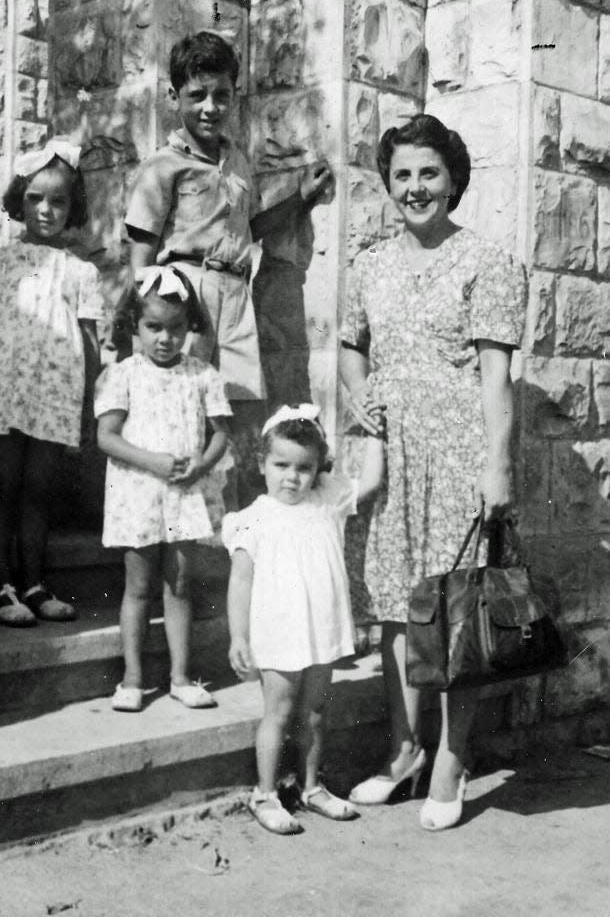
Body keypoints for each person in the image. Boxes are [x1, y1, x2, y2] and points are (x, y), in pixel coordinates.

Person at [339, 114, 527, 831]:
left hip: (458, 458)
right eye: (402, 176)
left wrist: (498, 464)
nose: (415, 188)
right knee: (395, 608)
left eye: (428, 173)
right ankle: (404, 752)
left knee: (457, 612)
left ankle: (452, 759)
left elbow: (496, 376)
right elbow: (352, 347)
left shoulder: (486, 260)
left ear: (453, 180)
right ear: (389, 187)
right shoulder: (371, 265)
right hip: (396, 462)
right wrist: (368, 408)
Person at [119, 30, 333, 417]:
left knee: (239, 410)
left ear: (234, 95)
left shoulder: (238, 164)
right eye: (197, 95)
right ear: (174, 97)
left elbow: (250, 228)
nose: (210, 107)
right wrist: (146, 325)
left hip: (236, 295)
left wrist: (299, 197)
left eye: (221, 95)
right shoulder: (162, 166)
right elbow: (141, 261)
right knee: (180, 408)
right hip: (183, 293)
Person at [0, 140, 103, 627]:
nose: (47, 210)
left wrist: (89, 406)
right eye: (36, 199)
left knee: (40, 489)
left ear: (74, 207)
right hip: (5, 389)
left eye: (59, 201)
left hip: (55, 394)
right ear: (19, 201)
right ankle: (2, 587)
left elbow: (90, 342)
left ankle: (35, 583)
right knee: (3, 484)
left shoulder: (82, 271)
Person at [223, 404, 383, 835]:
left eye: (304, 468)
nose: (292, 477)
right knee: (278, 712)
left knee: (314, 712)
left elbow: (369, 481)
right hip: (277, 630)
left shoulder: (327, 499)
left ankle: (312, 787)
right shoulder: (253, 517)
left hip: (321, 628)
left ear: (318, 470)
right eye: (281, 465)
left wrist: (376, 434)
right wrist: (238, 636)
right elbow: (240, 582)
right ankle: (266, 793)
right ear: (261, 464)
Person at [95, 265, 232, 712]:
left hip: (184, 495)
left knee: (180, 585)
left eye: (176, 328)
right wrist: (152, 460)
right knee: (137, 586)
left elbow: (220, 434)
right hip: (137, 493)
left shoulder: (202, 374)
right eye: (153, 327)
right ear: (134, 325)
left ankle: (180, 675)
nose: (165, 339)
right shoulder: (124, 374)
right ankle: (132, 679)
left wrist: (201, 464)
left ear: (189, 328)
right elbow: (107, 436)